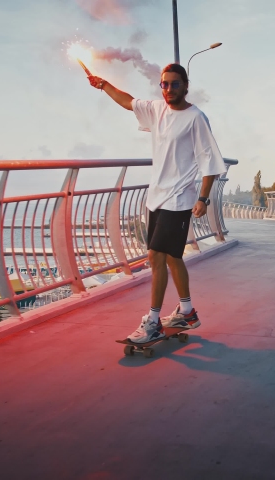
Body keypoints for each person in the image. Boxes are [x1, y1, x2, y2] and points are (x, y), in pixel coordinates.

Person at [87, 64, 227, 343]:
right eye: (164, 84)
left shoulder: (196, 118)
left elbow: (210, 161)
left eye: (175, 84)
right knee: (173, 257)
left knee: (156, 257)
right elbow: (128, 101)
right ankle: (186, 311)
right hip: (156, 197)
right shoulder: (156, 109)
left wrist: (203, 198)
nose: (169, 89)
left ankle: (152, 321)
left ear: (186, 86)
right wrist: (104, 85)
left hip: (179, 198)